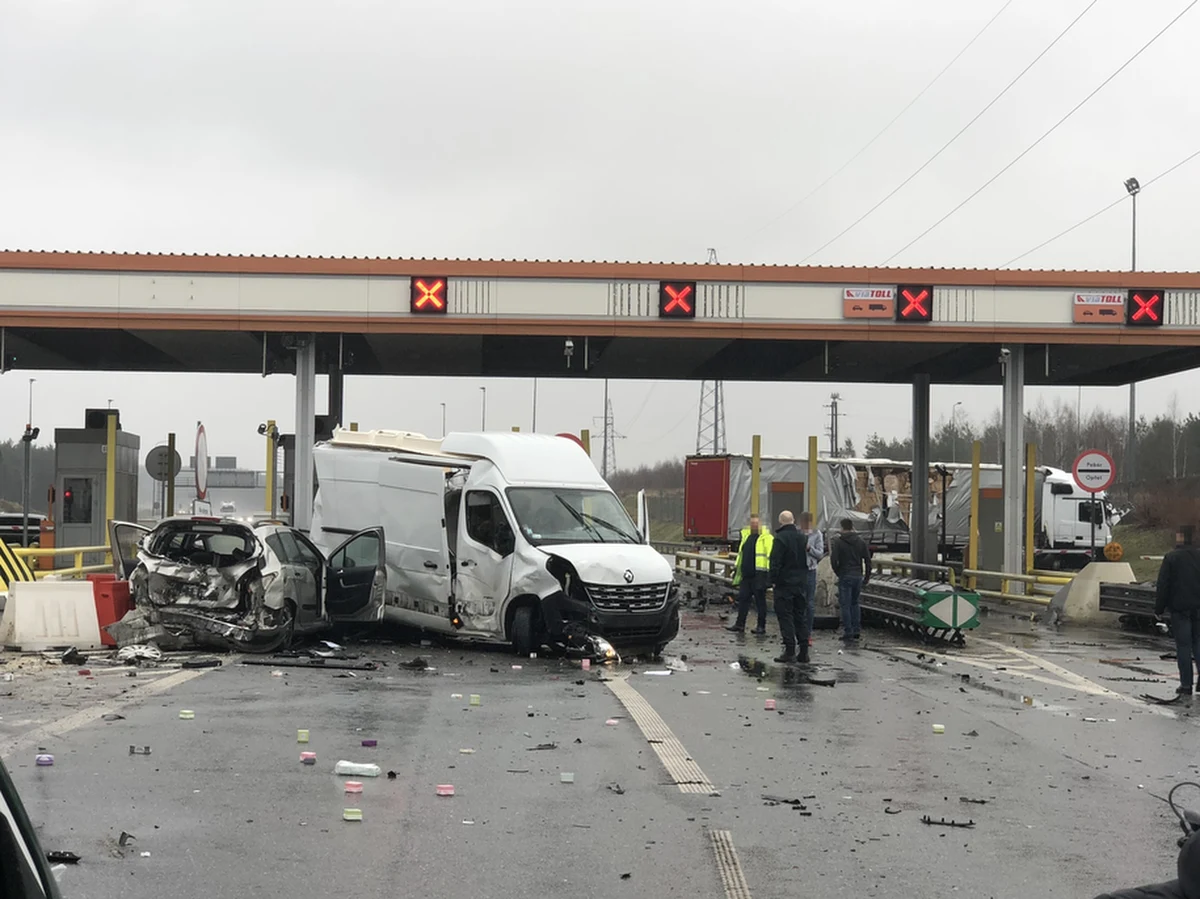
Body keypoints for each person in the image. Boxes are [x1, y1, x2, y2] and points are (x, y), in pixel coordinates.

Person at [1155, 525, 1200, 699]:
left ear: (1180, 537)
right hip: (1198, 608)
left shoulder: (1171, 558)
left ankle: (1186, 685)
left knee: (1183, 646)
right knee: (1198, 643)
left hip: (1180, 608)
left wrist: (1159, 609)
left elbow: (1163, 585)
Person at [768, 510, 809, 663]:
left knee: (785, 617)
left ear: (780, 521)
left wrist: (773, 580)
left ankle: (790, 650)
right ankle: (804, 651)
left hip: (784, 584)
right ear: (793, 521)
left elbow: (775, 562)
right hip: (800, 583)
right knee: (800, 617)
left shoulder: (780, 539)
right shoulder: (802, 538)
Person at [727, 514, 773, 635]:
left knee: (760, 602)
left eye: (756, 523)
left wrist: (769, 577)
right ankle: (740, 624)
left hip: (759, 575)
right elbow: (741, 556)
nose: (754, 525)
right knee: (743, 600)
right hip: (746, 575)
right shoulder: (746, 536)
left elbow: (770, 557)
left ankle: (761, 626)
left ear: (761, 524)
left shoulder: (766, 538)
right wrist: (736, 570)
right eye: (752, 523)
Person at [830, 518, 871, 643]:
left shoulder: (838, 542)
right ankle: (856, 630)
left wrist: (838, 572)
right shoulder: (860, 542)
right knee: (855, 603)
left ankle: (848, 631)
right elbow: (868, 560)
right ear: (852, 527)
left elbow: (833, 560)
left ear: (842, 528)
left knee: (845, 605)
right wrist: (866, 577)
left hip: (845, 575)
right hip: (857, 575)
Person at [798, 511, 824, 643]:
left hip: (810, 571)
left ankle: (807, 634)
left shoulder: (816, 534)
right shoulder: (797, 534)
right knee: (798, 603)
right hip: (798, 571)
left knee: (809, 603)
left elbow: (820, 554)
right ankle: (799, 632)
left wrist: (809, 549)